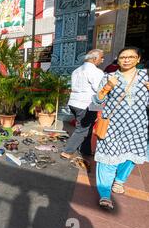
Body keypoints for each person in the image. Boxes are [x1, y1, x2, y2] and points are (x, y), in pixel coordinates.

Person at [93, 46, 149, 210]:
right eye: (122, 57)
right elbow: (97, 101)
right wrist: (107, 87)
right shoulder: (109, 77)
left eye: (130, 57)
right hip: (112, 126)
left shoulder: (146, 76)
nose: (126, 60)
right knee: (107, 159)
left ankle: (119, 181)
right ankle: (104, 193)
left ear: (138, 59)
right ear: (118, 59)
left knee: (130, 157)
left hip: (137, 126)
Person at [61, 49, 105, 160]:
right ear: (95, 59)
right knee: (82, 129)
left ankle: (85, 150)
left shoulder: (76, 70)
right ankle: (67, 151)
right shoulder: (96, 72)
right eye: (101, 58)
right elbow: (99, 90)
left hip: (74, 102)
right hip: (86, 104)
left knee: (87, 127)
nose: (102, 60)